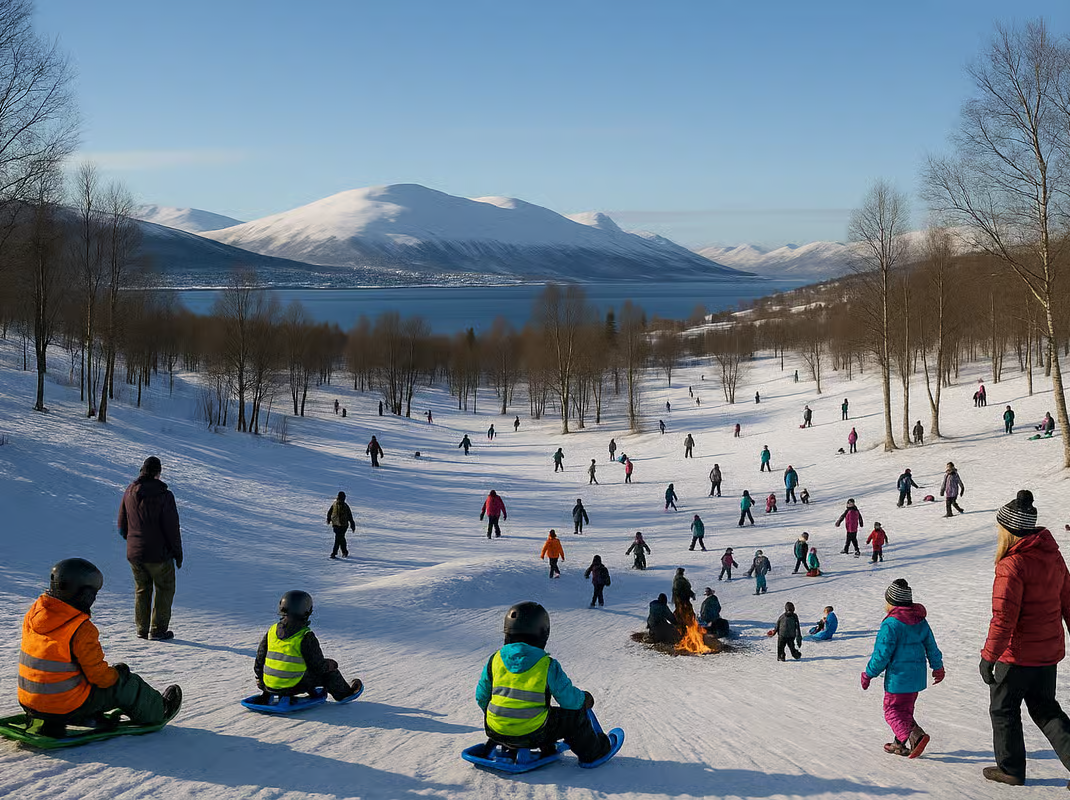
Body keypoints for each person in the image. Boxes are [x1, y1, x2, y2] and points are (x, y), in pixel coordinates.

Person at [16, 559, 181, 735]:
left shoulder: (34, 614)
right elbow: (99, 677)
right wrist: (117, 675)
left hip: (29, 702)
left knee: (73, 670)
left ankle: (74, 717)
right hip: (65, 705)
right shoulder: (80, 628)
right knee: (125, 684)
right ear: (84, 594)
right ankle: (159, 711)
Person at [980, 491, 1070, 787]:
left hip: (1017, 655)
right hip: (1047, 652)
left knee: (1003, 709)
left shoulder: (1012, 564)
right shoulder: (1052, 555)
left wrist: (989, 656)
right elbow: (1068, 600)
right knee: (1046, 709)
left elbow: (1004, 618)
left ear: (1009, 530)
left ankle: (1010, 769)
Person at [475, 602, 613, 764]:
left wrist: (504, 718)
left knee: (540, 711)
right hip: (534, 734)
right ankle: (593, 752)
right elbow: (570, 702)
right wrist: (584, 699)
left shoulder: (495, 660)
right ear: (543, 634)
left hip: (495, 731)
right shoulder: (546, 665)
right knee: (574, 716)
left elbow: (481, 697)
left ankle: (520, 739)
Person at [860, 579, 944, 759]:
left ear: (892, 602)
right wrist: (938, 667)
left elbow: (881, 655)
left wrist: (868, 674)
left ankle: (916, 736)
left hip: (898, 679)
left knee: (892, 711)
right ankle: (899, 744)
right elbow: (931, 646)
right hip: (916, 678)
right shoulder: (920, 621)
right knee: (904, 712)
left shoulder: (891, 624)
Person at [254, 590, 362, 703]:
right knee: (329, 672)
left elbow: (260, 659)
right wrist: (331, 665)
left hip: (269, 686)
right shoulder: (305, 635)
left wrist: (260, 679)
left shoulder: (272, 631)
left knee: (296, 664)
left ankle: (269, 693)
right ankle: (344, 694)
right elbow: (318, 666)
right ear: (306, 610)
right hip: (293, 686)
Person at [118, 456, 182, 640]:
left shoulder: (129, 491)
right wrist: (177, 553)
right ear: (157, 473)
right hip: (159, 554)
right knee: (165, 588)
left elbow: (121, 525)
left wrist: (134, 541)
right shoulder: (164, 495)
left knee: (142, 588)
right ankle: (158, 630)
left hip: (135, 554)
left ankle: (142, 628)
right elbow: (172, 528)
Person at [326, 491, 356, 559]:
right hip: (335, 524)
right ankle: (344, 552)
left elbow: (350, 516)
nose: (342, 500)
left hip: (343, 525)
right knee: (341, 538)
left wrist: (352, 525)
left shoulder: (345, 506)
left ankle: (334, 553)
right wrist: (328, 519)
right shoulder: (335, 504)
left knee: (338, 538)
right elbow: (330, 512)